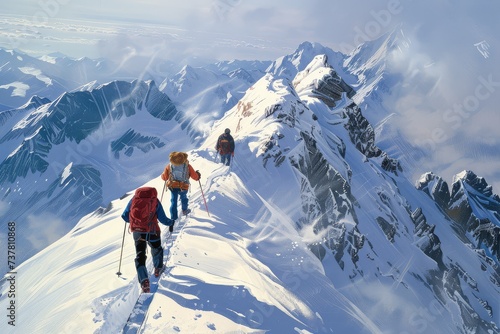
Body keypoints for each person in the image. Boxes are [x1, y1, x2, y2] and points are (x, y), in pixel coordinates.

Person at [121, 186, 174, 293]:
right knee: (156, 248)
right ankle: (158, 268)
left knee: (140, 255)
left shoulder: (133, 200)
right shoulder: (154, 201)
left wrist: (136, 221)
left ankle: (144, 281)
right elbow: (162, 218)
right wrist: (171, 222)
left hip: (137, 232)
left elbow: (125, 216)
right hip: (153, 231)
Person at [160, 152, 201, 221]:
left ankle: (173, 217)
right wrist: (198, 176)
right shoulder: (187, 165)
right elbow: (194, 176)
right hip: (183, 186)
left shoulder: (170, 166)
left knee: (173, 201)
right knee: (184, 198)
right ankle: (184, 210)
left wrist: (162, 175)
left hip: (172, 186)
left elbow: (164, 177)